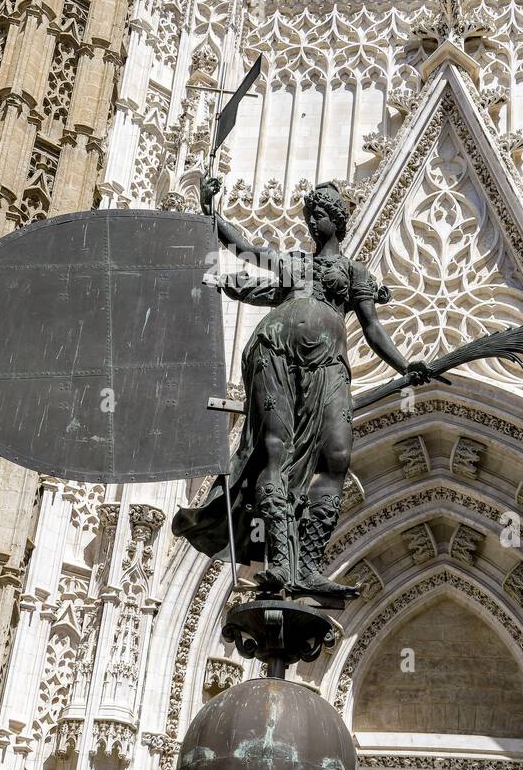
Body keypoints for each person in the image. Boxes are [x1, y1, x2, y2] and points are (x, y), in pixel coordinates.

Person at [172, 174, 432, 601]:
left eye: (321, 213)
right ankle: (281, 560)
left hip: (328, 362)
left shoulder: (354, 273)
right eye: (310, 213)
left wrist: (406, 365)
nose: (313, 220)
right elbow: (246, 250)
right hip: (274, 348)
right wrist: (211, 214)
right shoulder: (294, 263)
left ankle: (307, 563)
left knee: (337, 454)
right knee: (275, 448)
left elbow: (372, 327)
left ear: (338, 220)